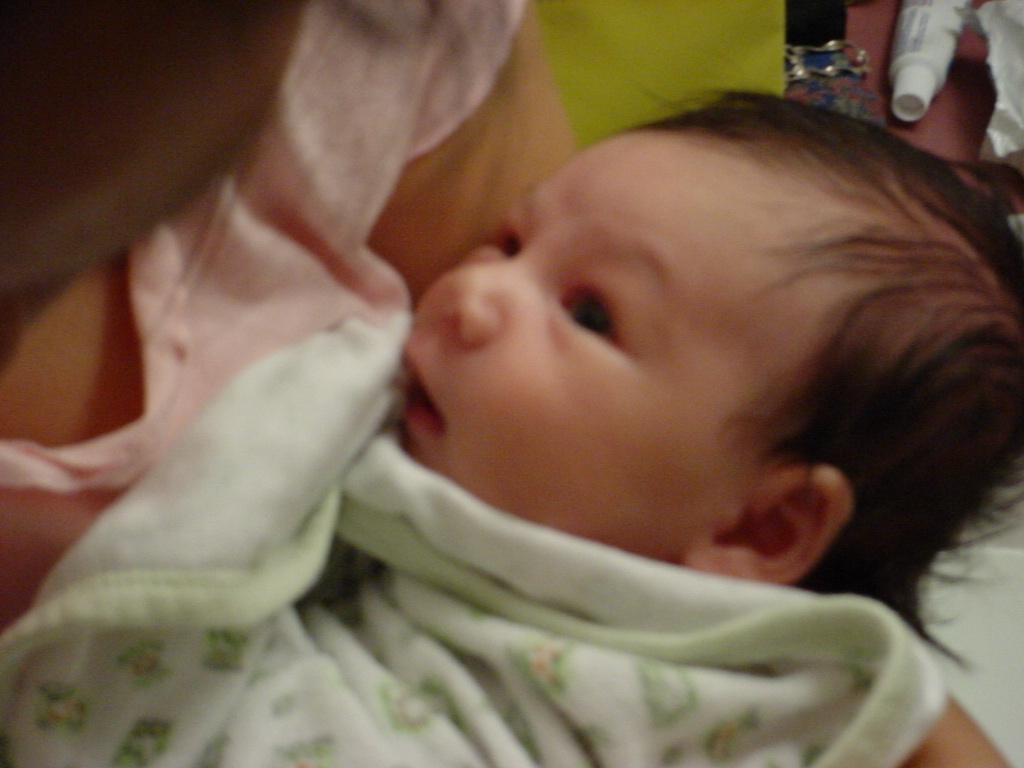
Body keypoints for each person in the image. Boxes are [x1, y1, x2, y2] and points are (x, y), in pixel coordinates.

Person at [0, 0, 1009, 760]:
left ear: (762, 527)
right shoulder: (359, 467)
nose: (470, 294)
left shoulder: (751, 708)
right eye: (512, 242)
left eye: (588, 314)